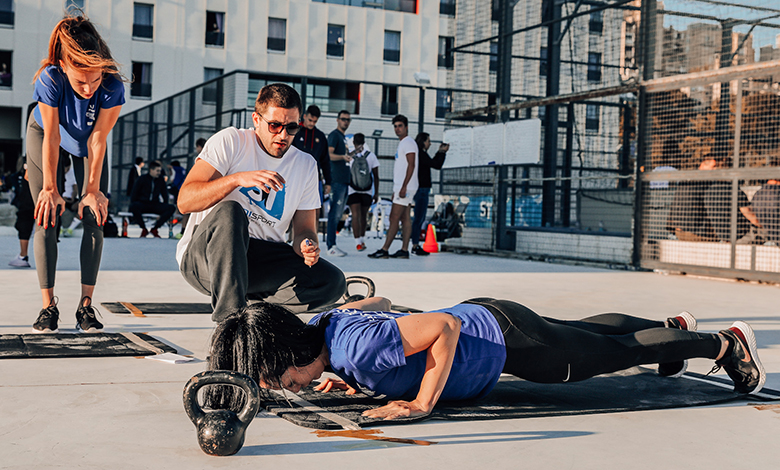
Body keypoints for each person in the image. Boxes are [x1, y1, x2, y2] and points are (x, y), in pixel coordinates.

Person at [205, 296, 766, 420]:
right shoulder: (327, 327)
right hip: (495, 317)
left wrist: (421, 403)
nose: (282, 386)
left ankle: (723, 344)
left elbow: (443, 328)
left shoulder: (356, 350)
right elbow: (374, 302)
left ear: (291, 352)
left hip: (507, 345)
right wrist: (347, 380)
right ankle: (670, 328)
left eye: (277, 376)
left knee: (600, 357)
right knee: (587, 334)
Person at [176, 83, 346, 322]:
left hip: (259, 259)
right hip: (205, 257)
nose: (283, 135)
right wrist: (236, 180)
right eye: (275, 125)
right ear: (256, 119)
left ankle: (253, 307)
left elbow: (305, 229)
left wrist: (307, 244)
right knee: (231, 212)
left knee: (331, 281)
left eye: (291, 127)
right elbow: (185, 201)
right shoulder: (231, 141)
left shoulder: (306, 164)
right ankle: (230, 324)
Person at [26, 14, 125, 333]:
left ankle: (86, 307)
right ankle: (47, 307)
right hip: (45, 133)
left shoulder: (111, 84)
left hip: (87, 142)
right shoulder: (50, 78)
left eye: (94, 80)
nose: (88, 88)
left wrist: (92, 191)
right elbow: (52, 135)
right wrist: (50, 188)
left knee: (95, 215)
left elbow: (98, 137)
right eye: (81, 81)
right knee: (46, 214)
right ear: (64, 67)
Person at [368, 115, 418, 259]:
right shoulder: (404, 143)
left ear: (406, 127)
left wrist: (403, 187)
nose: (397, 129)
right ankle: (404, 250)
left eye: (400, 126)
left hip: (405, 187)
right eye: (395, 126)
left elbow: (411, 164)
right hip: (403, 187)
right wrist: (398, 188)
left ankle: (384, 249)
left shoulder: (408, 142)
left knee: (393, 217)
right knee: (405, 218)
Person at [292, 105, 332, 226]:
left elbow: (325, 160)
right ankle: (289, 237)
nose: (312, 123)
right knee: (292, 206)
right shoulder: (294, 132)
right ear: (304, 116)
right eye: (310, 120)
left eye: (315, 121)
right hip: (294, 177)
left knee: (315, 208)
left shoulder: (320, 136)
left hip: (314, 178)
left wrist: (328, 182)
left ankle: (311, 236)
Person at [410, 133, 448, 256]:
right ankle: (415, 245)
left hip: (420, 189)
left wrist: (439, 152)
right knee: (419, 218)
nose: (429, 143)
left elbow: (431, 162)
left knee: (419, 218)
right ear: (423, 142)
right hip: (422, 189)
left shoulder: (420, 154)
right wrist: (442, 153)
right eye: (428, 141)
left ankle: (414, 244)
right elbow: (436, 165)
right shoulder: (421, 154)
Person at [326, 110, 353, 257]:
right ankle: (331, 246)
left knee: (338, 215)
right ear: (337, 120)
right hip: (336, 181)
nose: (346, 122)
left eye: (348, 120)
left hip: (343, 181)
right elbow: (329, 154)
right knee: (334, 215)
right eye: (343, 119)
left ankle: (332, 244)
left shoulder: (342, 137)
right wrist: (343, 157)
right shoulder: (335, 135)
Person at [346, 133, 380, 251]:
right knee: (363, 216)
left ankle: (357, 243)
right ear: (364, 142)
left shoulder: (350, 157)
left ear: (353, 142)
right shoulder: (371, 156)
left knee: (355, 215)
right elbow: (376, 176)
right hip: (367, 190)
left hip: (353, 189)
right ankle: (362, 239)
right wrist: (376, 193)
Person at [129, 160, 176, 238]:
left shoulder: (160, 180)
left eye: (159, 171)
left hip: (155, 204)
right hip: (143, 203)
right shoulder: (142, 179)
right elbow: (134, 193)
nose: (159, 173)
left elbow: (164, 194)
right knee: (134, 206)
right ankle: (143, 228)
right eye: (157, 171)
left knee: (171, 208)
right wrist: (134, 202)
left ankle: (155, 228)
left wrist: (165, 204)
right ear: (151, 170)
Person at [8, 158, 35, 268]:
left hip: (28, 199)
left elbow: (28, 177)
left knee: (25, 219)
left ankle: (23, 255)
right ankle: (49, 258)